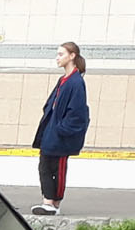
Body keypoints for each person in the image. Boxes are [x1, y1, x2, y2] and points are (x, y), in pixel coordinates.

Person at [31, 42, 90, 215]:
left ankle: (54, 202)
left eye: (61, 54)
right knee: (45, 165)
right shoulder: (63, 80)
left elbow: (77, 112)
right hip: (52, 131)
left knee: (58, 167)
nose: (57, 58)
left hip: (60, 134)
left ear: (72, 56)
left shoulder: (76, 82)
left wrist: (62, 129)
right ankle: (47, 201)